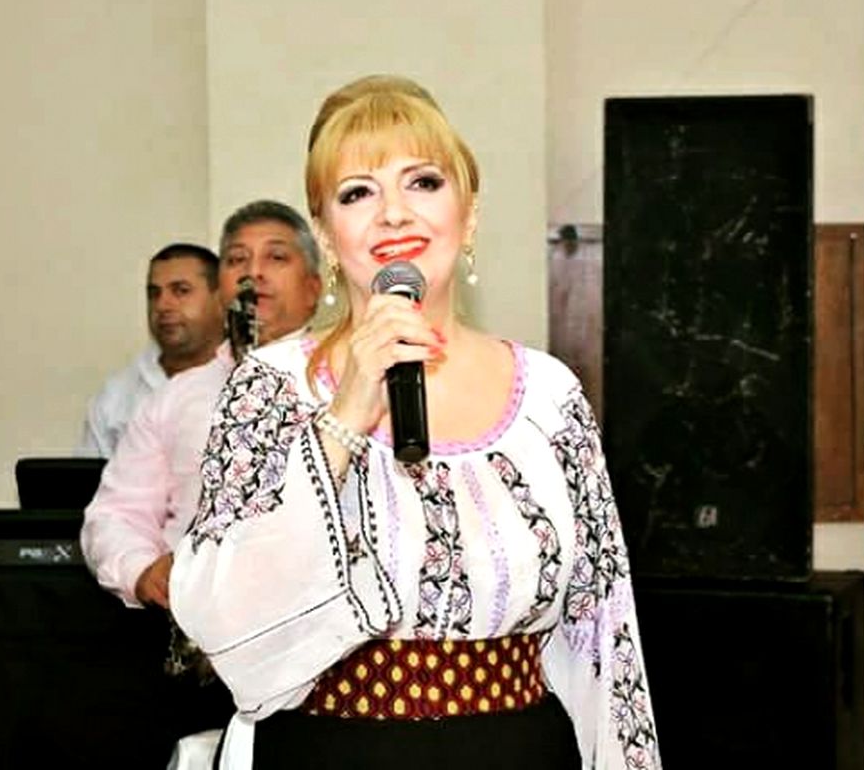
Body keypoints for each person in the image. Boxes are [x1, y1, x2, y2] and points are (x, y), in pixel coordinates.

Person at [170, 77, 661, 769]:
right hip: (326, 751)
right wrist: (346, 412)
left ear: (470, 213)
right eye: (357, 193)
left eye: (423, 182)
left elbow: (602, 629)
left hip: (519, 751)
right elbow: (221, 618)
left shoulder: (550, 396)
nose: (393, 214)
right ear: (325, 233)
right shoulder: (270, 388)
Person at [79, 200, 321, 742]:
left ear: (313, 287)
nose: (253, 272)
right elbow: (114, 514)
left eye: (275, 257)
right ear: (221, 289)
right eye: (236, 259)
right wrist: (142, 569)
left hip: (318, 666)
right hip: (194, 665)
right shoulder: (175, 398)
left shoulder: (350, 388)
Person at [77, 243, 225, 457]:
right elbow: (86, 477)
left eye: (181, 291)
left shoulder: (253, 383)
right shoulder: (117, 396)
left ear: (221, 300)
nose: (162, 305)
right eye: (154, 293)